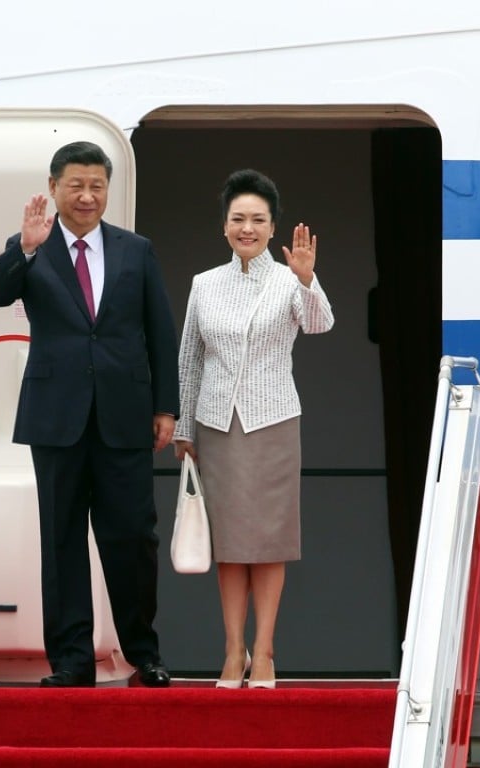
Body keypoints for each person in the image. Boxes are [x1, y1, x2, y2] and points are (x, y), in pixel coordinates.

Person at [0, 141, 179, 688]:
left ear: (107, 190)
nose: (88, 195)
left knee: (134, 536)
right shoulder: (31, 246)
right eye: (76, 185)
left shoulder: (136, 249)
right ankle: (72, 661)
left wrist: (166, 407)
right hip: (56, 416)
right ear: (54, 188)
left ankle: (144, 653)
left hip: (126, 415)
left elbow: (160, 331)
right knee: (62, 538)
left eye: (97, 185)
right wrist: (23, 247)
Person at [173, 169, 334, 689]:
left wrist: (307, 279)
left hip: (272, 422)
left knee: (268, 542)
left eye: (258, 220)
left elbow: (319, 324)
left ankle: (264, 652)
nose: (247, 228)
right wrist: (183, 426)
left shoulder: (290, 279)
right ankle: (232, 649)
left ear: (272, 228)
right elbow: (190, 360)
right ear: (224, 226)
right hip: (215, 424)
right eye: (238, 218)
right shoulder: (204, 283)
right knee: (229, 546)